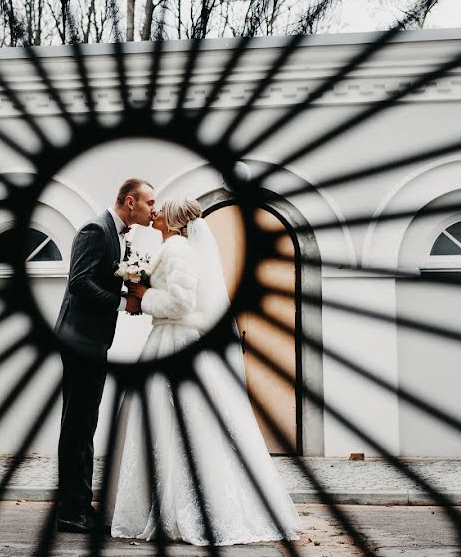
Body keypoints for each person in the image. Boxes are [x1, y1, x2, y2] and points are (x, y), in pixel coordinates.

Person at [110, 198, 300, 546]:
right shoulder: (176, 246)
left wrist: (145, 296)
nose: (156, 213)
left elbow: (182, 303)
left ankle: (184, 509)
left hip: (175, 343)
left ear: (174, 219)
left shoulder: (178, 248)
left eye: (160, 209)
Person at [53, 178, 156, 533]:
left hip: (93, 341)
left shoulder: (118, 233)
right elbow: (79, 281)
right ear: (130, 202)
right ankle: (70, 512)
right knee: (77, 426)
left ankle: (80, 504)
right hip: (79, 340)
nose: (153, 209)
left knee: (86, 425)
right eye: (149, 203)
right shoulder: (95, 230)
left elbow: (104, 277)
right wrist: (123, 301)